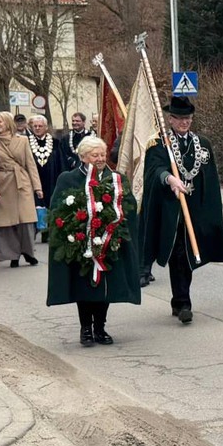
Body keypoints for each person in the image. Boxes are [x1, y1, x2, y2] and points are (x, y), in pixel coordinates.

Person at [141, 94, 223, 323]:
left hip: (194, 209)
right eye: (179, 118)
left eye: (188, 118)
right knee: (178, 255)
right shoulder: (159, 143)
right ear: (170, 119)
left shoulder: (202, 144)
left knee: (190, 256)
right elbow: (154, 170)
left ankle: (181, 299)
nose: (184, 122)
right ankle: (182, 302)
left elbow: (210, 178)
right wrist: (169, 179)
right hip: (172, 211)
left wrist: (210, 211)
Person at [45, 135, 143, 345]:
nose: (99, 159)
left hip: (109, 242)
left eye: (102, 154)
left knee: (105, 288)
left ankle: (100, 328)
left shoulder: (116, 178)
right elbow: (57, 208)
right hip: (80, 244)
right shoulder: (68, 178)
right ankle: (85, 329)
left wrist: (117, 225)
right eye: (94, 155)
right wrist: (75, 228)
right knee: (85, 287)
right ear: (82, 157)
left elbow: (129, 206)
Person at [0, 112, 42, 268]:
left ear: (8, 123)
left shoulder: (23, 140)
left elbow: (31, 164)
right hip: (2, 183)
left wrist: (37, 187)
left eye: (0, 121)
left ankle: (28, 252)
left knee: (26, 220)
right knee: (8, 221)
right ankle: (13, 255)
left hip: (21, 182)